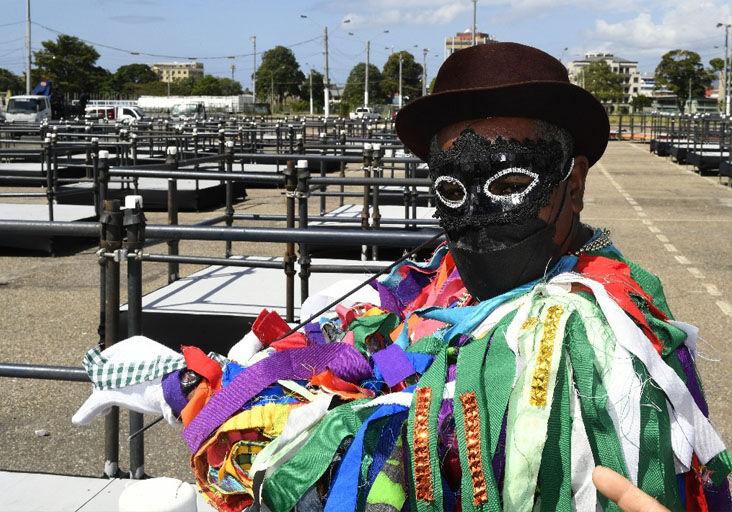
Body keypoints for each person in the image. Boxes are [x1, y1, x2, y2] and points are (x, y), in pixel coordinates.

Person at [75, 43, 731, 511]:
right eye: (450, 190)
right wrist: (226, 375)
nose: (472, 216)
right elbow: (358, 365)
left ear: (574, 184)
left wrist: (191, 393)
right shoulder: (438, 282)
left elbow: (350, 465)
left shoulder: (595, 342)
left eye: (508, 184)